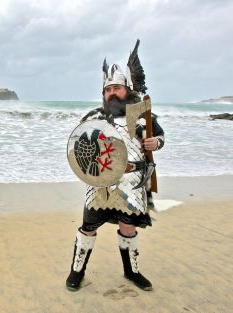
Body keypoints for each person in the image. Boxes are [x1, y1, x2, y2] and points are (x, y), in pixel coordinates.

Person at [66, 40, 165, 292]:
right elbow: (79, 147)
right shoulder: (93, 118)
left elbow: (159, 137)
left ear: (127, 89)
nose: (112, 92)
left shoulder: (141, 117)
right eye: (108, 88)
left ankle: (132, 272)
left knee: (128, 227)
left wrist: (156, 142)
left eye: (117, 87)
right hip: (100, 182)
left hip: (131, 183)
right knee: (88, 227)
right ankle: (76, 272)